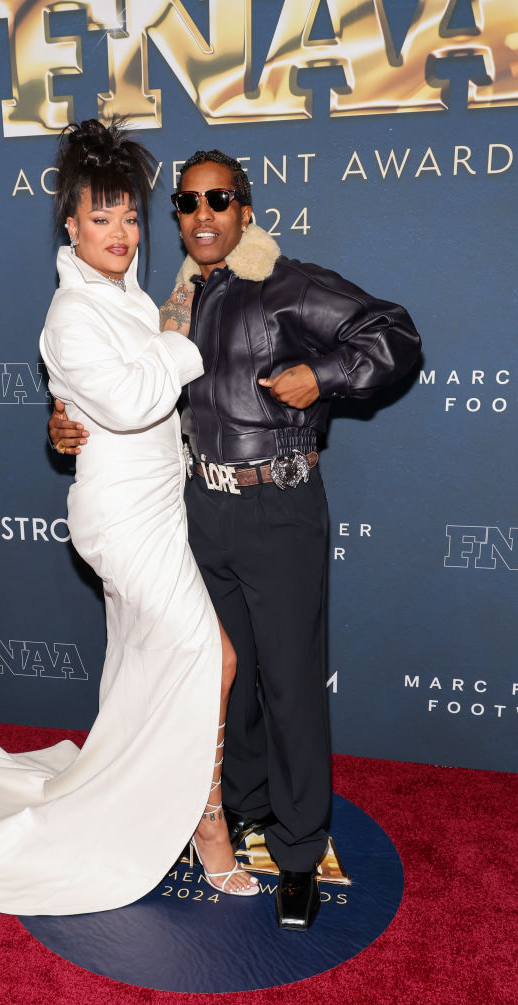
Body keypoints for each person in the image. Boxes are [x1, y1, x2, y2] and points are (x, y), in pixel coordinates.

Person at [0, 123, 259, 915]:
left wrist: (152, 339)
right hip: (121, 521)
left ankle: (142, 784)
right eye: (100, 218)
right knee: (210, 657)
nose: (120, 234)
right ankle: (205, 821)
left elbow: (120, 392)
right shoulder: (70, 314)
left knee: (141, 669)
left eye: (128, 218)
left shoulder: (118, 296)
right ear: (70, 224)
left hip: (152, 506)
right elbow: (130, 399)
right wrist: (179, 344)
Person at [49, 148, 422, 929]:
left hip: (277, 508)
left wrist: (325, 376)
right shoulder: (171, 298)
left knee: (288, 684)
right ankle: (243, 811)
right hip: (195, 508)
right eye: (186, 203)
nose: (203, 214)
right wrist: (63, 420)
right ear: (178, 219)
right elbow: (122, 385)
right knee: (229, 683)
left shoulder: (287, 283)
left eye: (219, 199)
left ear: (245, 210)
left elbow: (393, 334)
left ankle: (296, 852)